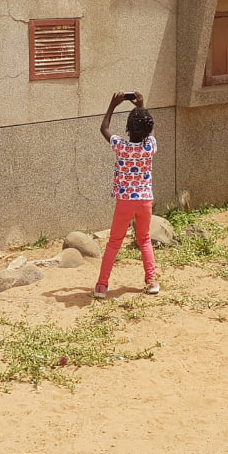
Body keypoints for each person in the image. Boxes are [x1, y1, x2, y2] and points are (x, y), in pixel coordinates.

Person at [93, 90, 159, 300]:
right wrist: (141, 106)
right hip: (145, 200)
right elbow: (149, 130)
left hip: (125, 202)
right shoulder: (149, 147)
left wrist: (112, 105)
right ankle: (151, 281)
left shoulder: (121, 147)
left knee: (114, 242)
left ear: (128, 129)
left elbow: (104, 128)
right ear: (148, 128)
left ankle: (102, 286)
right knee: (144, 240)